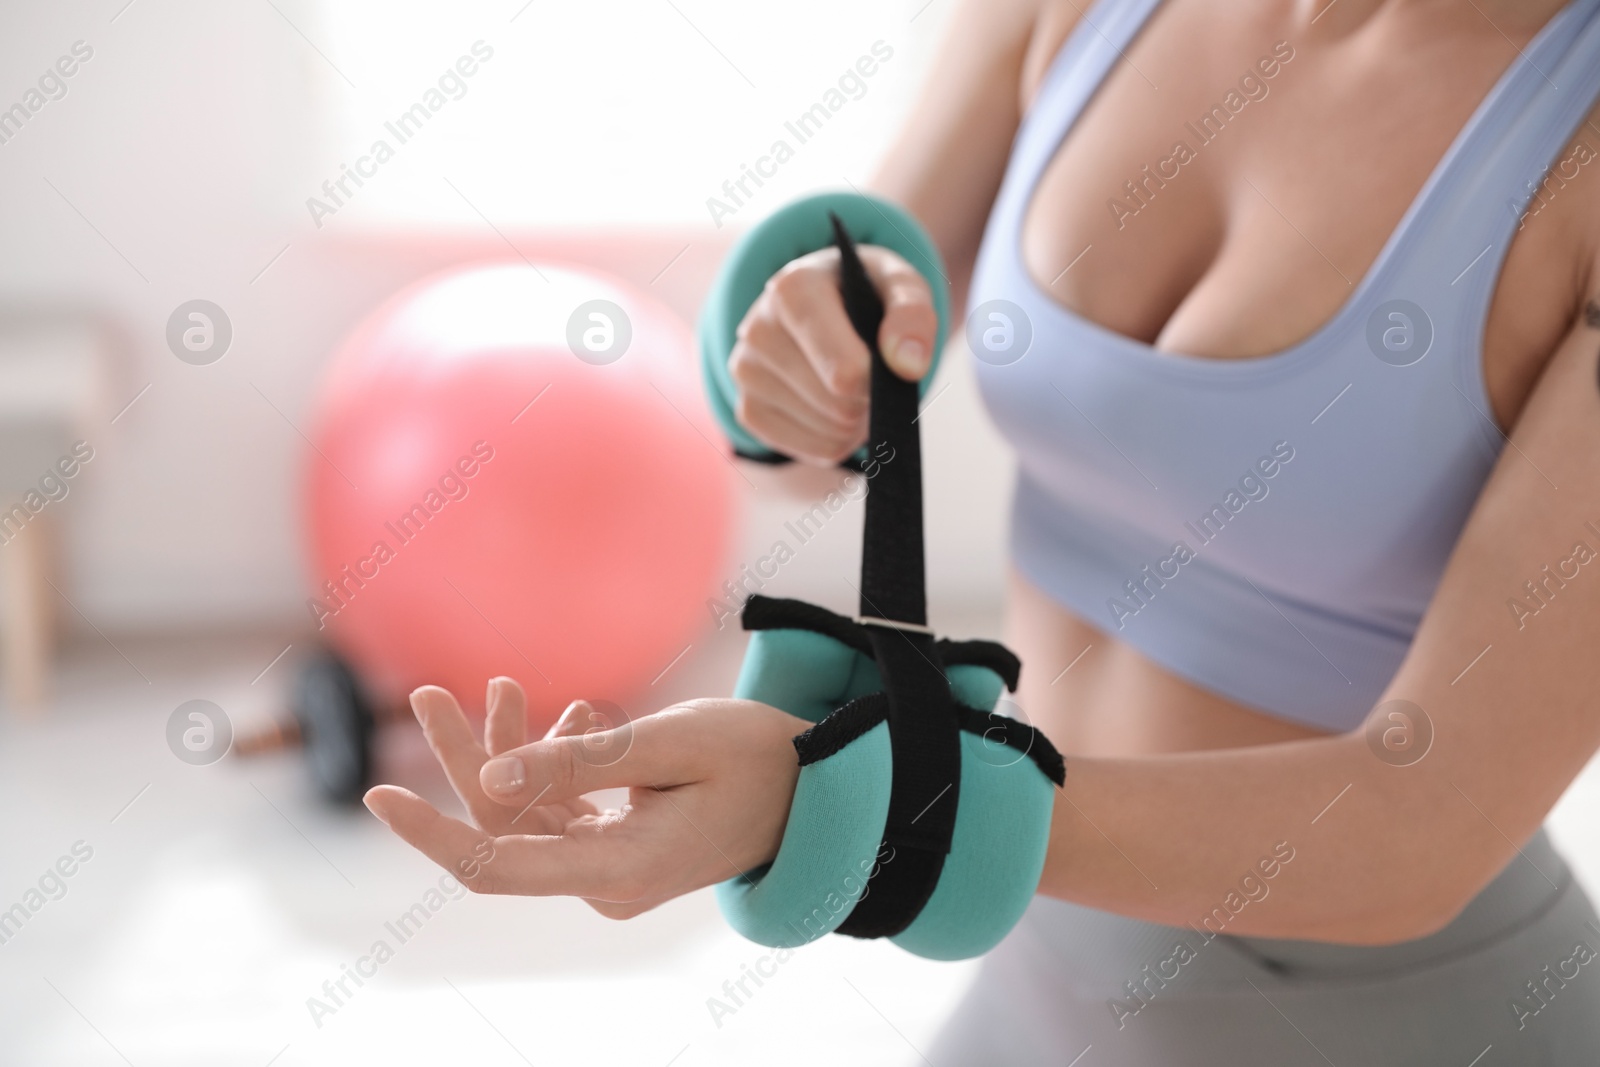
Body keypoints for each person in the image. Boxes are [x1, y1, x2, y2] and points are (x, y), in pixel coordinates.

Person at [364, 0, 1600, 1060]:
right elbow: (820, 417)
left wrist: (844, 797)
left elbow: (1426, 819)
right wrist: (808, 354)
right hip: (1040, 950)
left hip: (1403, 1013)